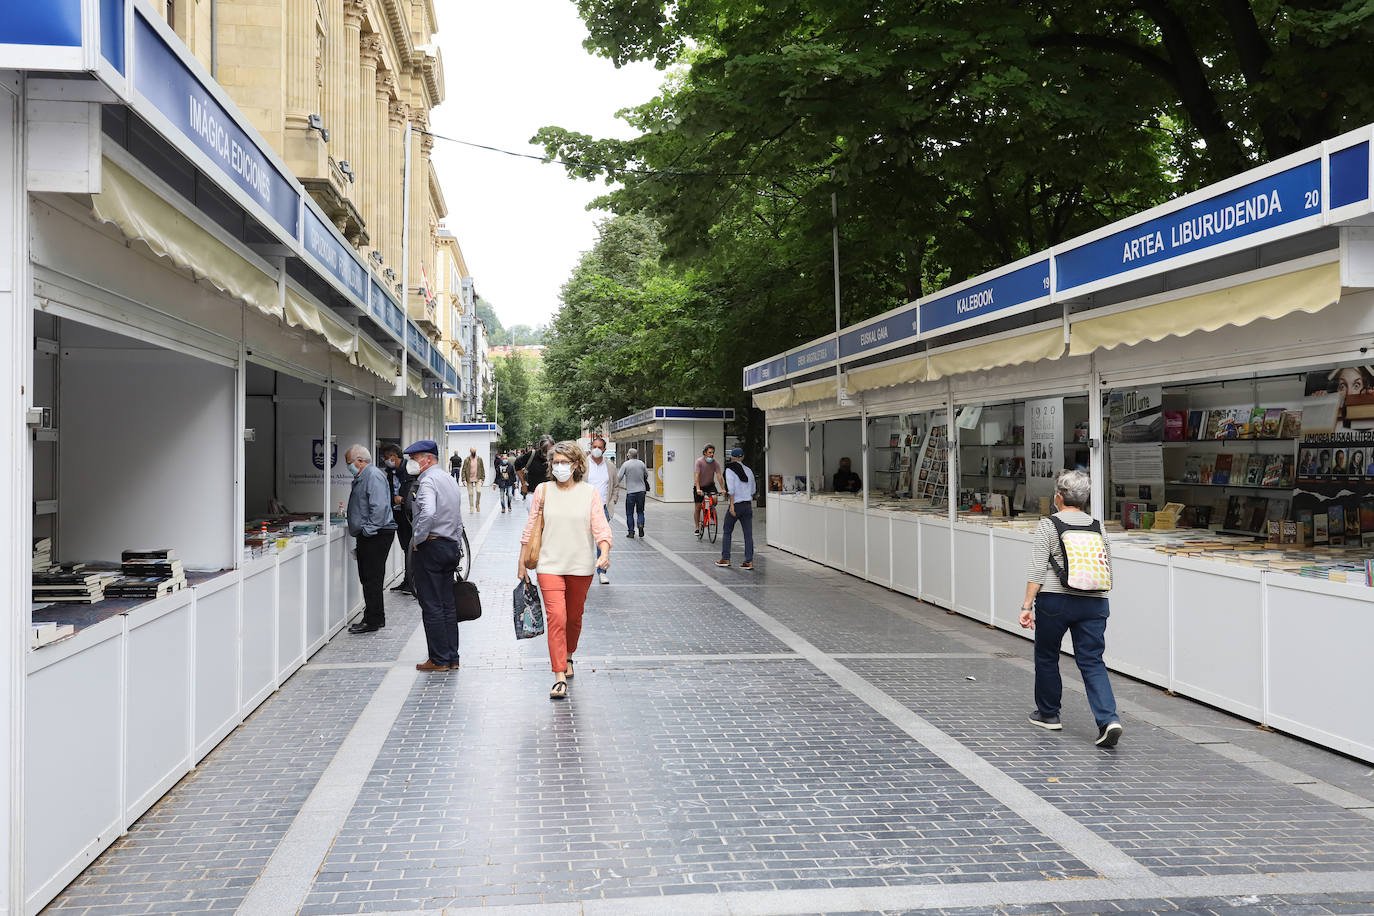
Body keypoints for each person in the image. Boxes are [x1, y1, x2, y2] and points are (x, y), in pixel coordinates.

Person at [1019, 469, 1123, 749]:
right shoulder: (1097, 526)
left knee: (1047, 654)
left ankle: (1049, 714)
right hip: (1094, 601)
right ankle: (1108, 719)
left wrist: (1026, 606)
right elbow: (1108, 568)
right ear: (1085, 498)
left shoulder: (1048, 524)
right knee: (1092, 660)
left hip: (1056, 600)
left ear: (1058, 497)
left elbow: (1037, 568)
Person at [518, 441, 612, 700]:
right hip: (549, 564)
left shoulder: (589, 493)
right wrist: (522, 561)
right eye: (555, 462)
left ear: (576, 465)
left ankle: (569, 654)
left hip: (581, 566)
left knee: (573, 617)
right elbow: (531, 527)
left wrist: (604, 552)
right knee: (557, 617)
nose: (559, 466)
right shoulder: (543, 490)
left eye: (564, 462)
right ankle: (559, 674)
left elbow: (600, 527)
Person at [404, 439, 465, 672]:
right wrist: (456, 543)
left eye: (414, 458)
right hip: (449, 545)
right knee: (447, 604)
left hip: (431, 546)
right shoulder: (448, 479)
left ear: (427, 459)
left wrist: (418, 539)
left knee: (431, 604)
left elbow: (427, 512)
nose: (412, 463)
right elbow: (458, 518)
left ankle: (439, 659)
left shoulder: (428, 481)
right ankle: (452, 657)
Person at [343, 445, 396, 633]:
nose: (348, 467)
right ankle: (373, 616)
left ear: (360, 461)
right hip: (373, 534)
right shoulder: (363, 476)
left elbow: (379, 507)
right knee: (368, 577)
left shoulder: (372, 475)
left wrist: (367, 530)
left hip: (376, 534)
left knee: (372, 578)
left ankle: (373, 620)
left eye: (349, 463)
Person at [380, 443, 415, 594]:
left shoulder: (410, 471)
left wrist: (402, 500)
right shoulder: (390, 472)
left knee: (410, 547)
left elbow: (414, 493)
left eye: (388, 458)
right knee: (405, 547)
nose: (386, 460)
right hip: (397, 514)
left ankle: (412, 582)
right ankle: (408, 581)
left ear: (395, 457)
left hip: (408, 514)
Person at [715, 447, 756, 570]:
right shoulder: (749, 470)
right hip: (747, 505)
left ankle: (725, 558)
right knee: (748, 534)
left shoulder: (730, 469)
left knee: (727, 531)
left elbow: (731, 489)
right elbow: (753, 490)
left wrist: (731, 505)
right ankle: (749, 561)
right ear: (742, 457)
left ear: (732, 457)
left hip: (736, 504)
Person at [585, 436, 617, 584]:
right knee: (584, 540)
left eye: (599, 447)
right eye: (594, 446)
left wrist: (612, 502)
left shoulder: (610, 466)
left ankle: (602, 571)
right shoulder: (583, 465)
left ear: (604, 450)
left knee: (602, 540)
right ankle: (583, 569)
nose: (596, 449)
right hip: (584, 508)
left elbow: (615, 486)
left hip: (603, 508)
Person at [617, 447, 650, 538]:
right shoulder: (641, 463)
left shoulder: (626, 464)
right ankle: (640, 524)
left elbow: (619, 477)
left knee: (629, 513)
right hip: (641, 492)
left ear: (629, 455)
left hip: (631, 492)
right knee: (640, 511)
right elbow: (646, 474)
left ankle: (631, 532)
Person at [693, 444, 723, 535]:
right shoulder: (699, 462)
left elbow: (719, 476)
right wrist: (698, 489)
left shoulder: (715, 463)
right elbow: (696, 476)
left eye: (713, 452)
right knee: (698, 507)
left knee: (715, 499)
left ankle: (710, 512)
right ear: (705, 453)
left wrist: (723, 488)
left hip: (710, 485)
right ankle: (697, 527)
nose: (711, 454)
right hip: (699, 485)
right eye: (709, 452)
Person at [519, 435, 553, 507]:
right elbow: (517, 465)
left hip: (550, 496)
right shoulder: (531, 455)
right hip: (533, 495)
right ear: (540, 447)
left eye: (549, 450)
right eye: (544, 450)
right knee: (534, 517)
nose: (547, 453)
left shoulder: (556, 457)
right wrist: (523, 484)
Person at [461, 447, 485, 513]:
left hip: (478, 478)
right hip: (469, 478)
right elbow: (463, 470)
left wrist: (482, 479)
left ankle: (477, 504)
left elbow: (482, 469)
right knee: (470, 494)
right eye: (472, 452)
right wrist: (463, 479)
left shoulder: (479, 459)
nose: (473, 453)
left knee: (478, 491)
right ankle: (471, 507)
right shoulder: (467, 459)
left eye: (474, 451)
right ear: (470, 452)